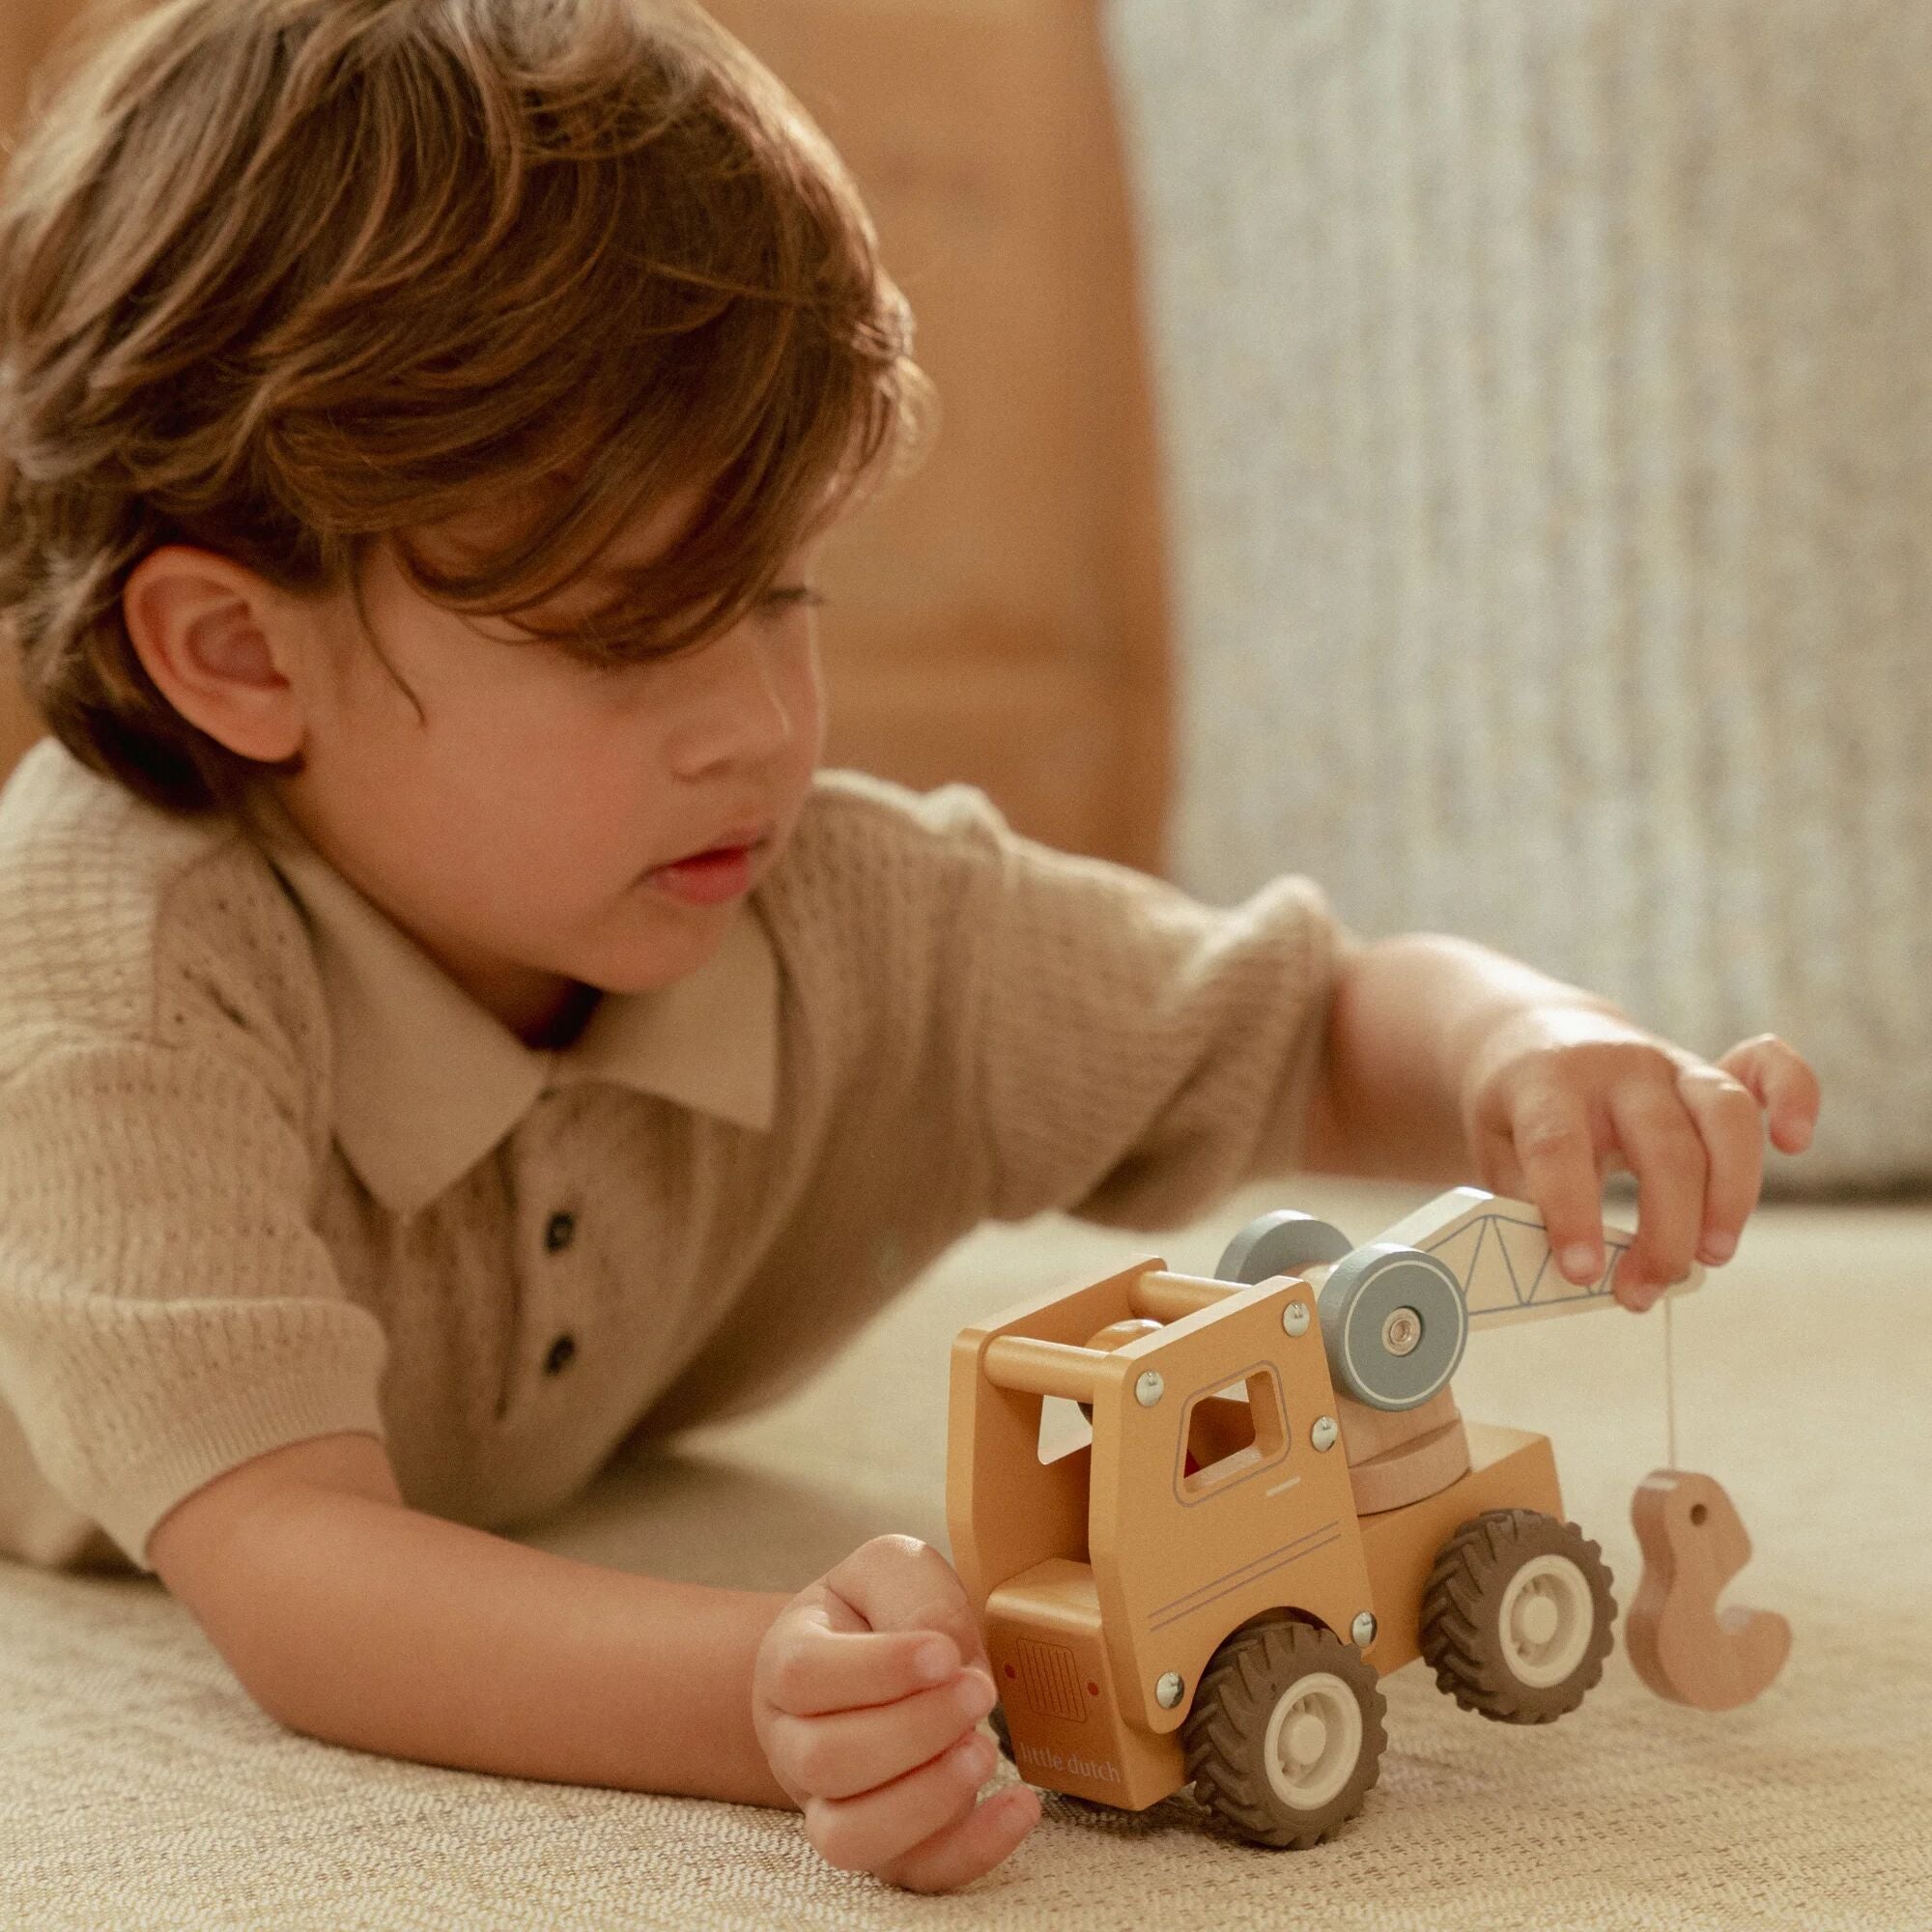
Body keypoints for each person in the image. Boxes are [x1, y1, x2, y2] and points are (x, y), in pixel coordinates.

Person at [0, 0, 1819, 1897]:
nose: (760, 726)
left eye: (779, 590)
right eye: (630, 630)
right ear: (238, 654)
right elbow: (301, 1571)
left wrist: (1530, 1052)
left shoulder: (841, 916)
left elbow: (1301, 1027)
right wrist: (752, 1688)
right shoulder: (115, 979)